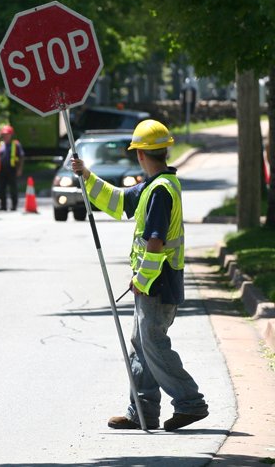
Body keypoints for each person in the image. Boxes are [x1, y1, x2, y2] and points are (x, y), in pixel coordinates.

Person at [71, 119, 209, 432]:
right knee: (143, 342)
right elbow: (118, 202)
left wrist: (143, 280)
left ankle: (190, 403)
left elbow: (156, 241)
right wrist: (87, 176)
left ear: (140, 155)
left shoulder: (160, 190)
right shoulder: (154, 185)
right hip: (155, 282)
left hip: (157, 283)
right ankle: (142, 412)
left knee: (153, 344)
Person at [0, 124, 24, 211]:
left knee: (13, 188)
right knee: (2, 189)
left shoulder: (16, 144)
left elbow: (21, 157)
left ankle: (14, 206)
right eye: (4, 135)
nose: (5, 136)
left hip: (12, 169)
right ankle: (3, 206)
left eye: (7, 135)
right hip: (2, 170)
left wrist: (19, 169)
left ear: (11, 135)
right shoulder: (0, 145)